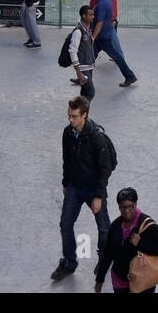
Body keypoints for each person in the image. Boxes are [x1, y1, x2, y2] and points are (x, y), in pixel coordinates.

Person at [51, 96, 113, 282]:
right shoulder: (67, 133)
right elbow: (66, 160)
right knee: (65, 225)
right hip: (74, 188)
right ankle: (70, 262)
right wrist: (65, 183)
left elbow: (105, 168)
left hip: (93, 189)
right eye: (69, 115)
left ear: (84, 115)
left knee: (104, 228)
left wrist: (99, 196)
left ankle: (105, 258)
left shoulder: (96, 137)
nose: (70, 120)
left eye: (74, 116)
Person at [94, 188, 158, 294]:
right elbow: (108, 253)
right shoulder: (115, 226)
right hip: (119, 281)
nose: (126, 211)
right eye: (122, 207)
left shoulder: (147, 225)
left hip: (143, 280)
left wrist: (141, 243)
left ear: (135, 204)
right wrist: (99, 280)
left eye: (129, 206)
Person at [91, 0, 137, 87]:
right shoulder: (106, 0)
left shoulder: (102, 4)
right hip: (104, 35)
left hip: (102, 37)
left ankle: (130, 76)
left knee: (117, 57)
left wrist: (93, 36)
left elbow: (100, 22)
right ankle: (83, 77)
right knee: (89, 57)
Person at [68, 5, 97, 100]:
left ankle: (83, 114)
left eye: (93, 14)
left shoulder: (87, 28)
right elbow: (72, 51)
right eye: (90, 15)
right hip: (83, 68)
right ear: (84, 16)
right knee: (90, 92)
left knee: (84, 93)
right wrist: (79, 73)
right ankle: (81, 114)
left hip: (89, 66)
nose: (93, 16)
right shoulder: (78, 32)